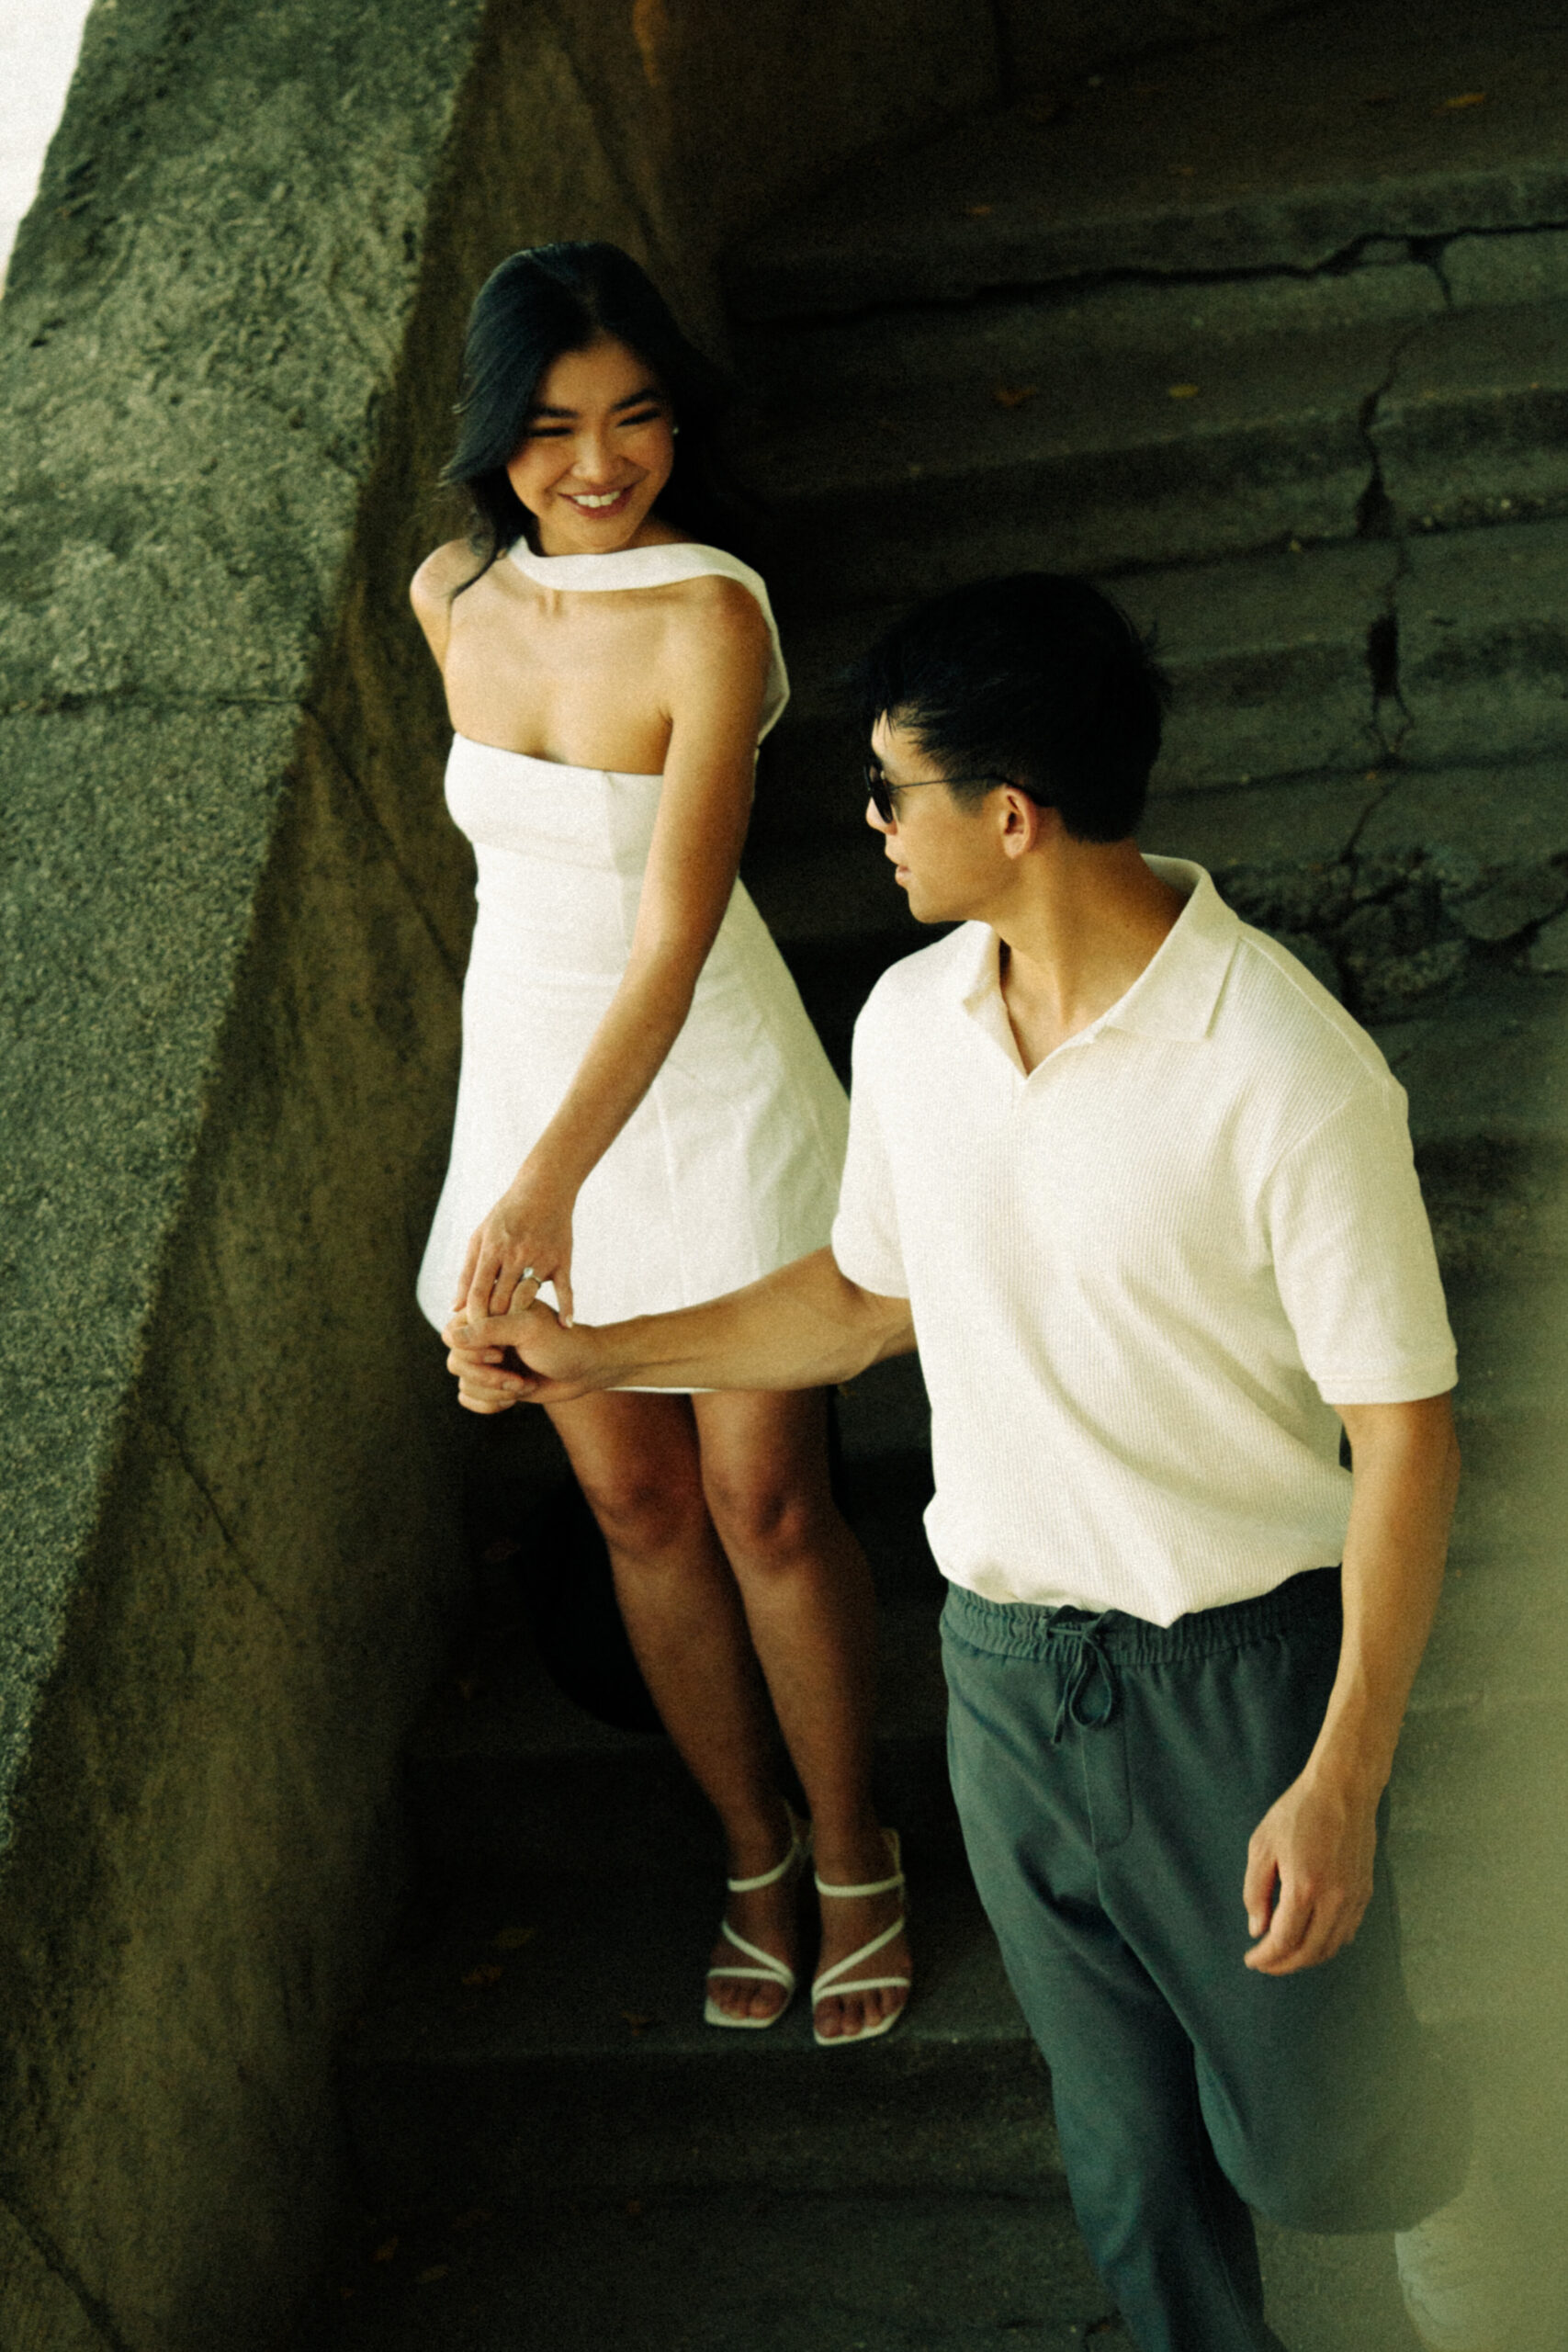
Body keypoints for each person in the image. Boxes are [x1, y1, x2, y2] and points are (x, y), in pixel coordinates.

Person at [444, 572, 1506, 2351]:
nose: (864, 824)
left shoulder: (1283, 1070)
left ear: (1006, 813)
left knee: (1320, 2149)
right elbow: (865, 1299)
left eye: (888, 790)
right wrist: (592, 1354)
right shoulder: (908, 1023)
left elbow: (1404, 1439)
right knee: (1123, 2167)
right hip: (1006, 1674)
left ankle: (1457, 2171)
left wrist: (1337, 1775)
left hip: (1233, 1677)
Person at [412, 242, 910, 2046]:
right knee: (627, 1502)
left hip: (695, 1086)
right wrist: (518, 1161)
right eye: (551, 428)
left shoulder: (714, 615)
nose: (600, 462)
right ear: (494, 436)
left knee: (761, 1497)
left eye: (633, 416)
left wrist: (542, 1182)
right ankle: (749, 1844)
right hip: (523, 1081)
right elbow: (523, 893)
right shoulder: (447, 589)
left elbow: (671, 937)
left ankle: (855, 1849)